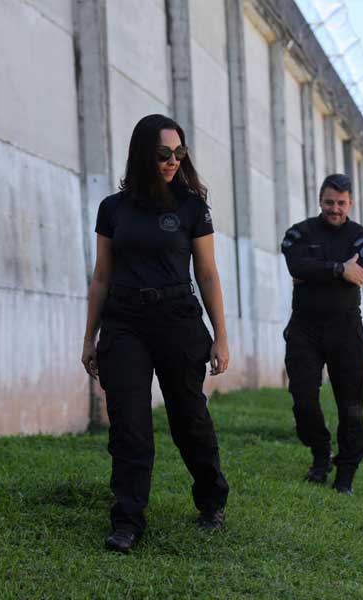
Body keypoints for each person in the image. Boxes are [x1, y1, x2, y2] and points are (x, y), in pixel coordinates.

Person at [82, 114, 231, 553]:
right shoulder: (113, 209)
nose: (172, 161)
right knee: (129, 425)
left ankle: (211, 501)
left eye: (179, 153)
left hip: (177, 320)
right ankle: (127, 521)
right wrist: (90, 336)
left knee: (189, 418)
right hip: (125, 321)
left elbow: (207, 273)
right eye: (164, 153)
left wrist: (221, 336)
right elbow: (102, 276)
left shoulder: (191, 207)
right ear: (143, 153)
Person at [281, 173, 363, 494]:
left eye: (341, 203)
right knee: (303, 399)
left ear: (350, 203)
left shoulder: (361, 236)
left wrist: (315, 269)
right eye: (329, 202)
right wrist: (338, 269)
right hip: (304, 330)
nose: (335, 209)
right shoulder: (299, 232)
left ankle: (345, 474)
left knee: (351, 407)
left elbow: (358, 272)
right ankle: (320, 454)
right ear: (320, 200)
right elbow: (295, 267)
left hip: (346, 331)